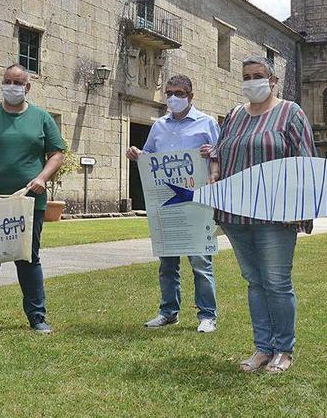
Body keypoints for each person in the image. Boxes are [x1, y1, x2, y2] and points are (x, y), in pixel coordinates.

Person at [210, 55, 316, 373]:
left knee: (276, 282)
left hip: (275, 215)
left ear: (272, 80)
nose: (252, 80)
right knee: (254, 282)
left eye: (258, 75)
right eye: (247, 76)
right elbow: (218, 152)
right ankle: (262, 348)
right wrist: (214, 174)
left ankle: (283, 350)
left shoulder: (291, 113)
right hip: (235, 215)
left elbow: (306, 162)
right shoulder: (233, 115)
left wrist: (300, 210)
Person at [0, 63, 67, 335]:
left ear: (27, 87)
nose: (12, 87)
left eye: (18, 83)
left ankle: (38, 317)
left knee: (29, 259)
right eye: (7, 81)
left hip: (29, 202)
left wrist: (42, 178)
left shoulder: (41, 118)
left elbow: (57, 153)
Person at [126, 74, 219, 333]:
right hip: (165, 202)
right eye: (168, 93)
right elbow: (150, 158)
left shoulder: (207, 123)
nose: (172, 98)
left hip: (196, 201)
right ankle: (168, 311)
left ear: (190, 95)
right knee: (167, 263)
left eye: (178, 93)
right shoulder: (159, 126)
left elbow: (221, 155)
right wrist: (137, 154)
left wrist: (212, 154)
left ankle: (207, 315)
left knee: (201, 261)